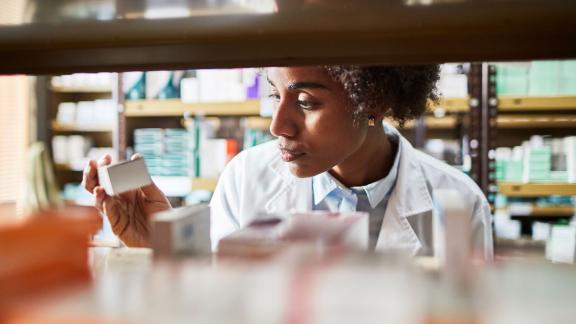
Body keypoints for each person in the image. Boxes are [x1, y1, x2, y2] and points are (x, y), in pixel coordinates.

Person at [83, 66, 493, 259]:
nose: (279, 125)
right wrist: (158, 248)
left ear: (376, 102)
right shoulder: (246, 178)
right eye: (276, 95)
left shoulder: (459, 202)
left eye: (306, 102)